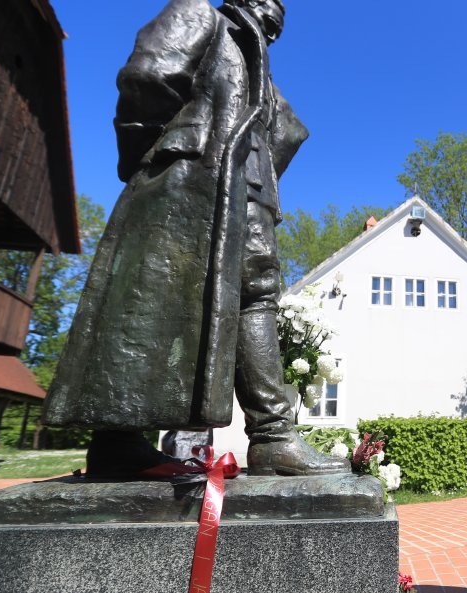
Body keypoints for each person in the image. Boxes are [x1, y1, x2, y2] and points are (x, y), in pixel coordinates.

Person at [42, 0, 348, 478]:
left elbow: (284, 136)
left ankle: (272, 436)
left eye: (280, 14)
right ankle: (118, 439)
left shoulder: (263, 75)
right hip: (189, 182)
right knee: (144, 300)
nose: (275, 15)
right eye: (268, 6)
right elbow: (148, 77)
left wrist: (256, 178)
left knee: (257, 294)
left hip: (245, 192)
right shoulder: (200, 15)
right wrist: (157, 158)